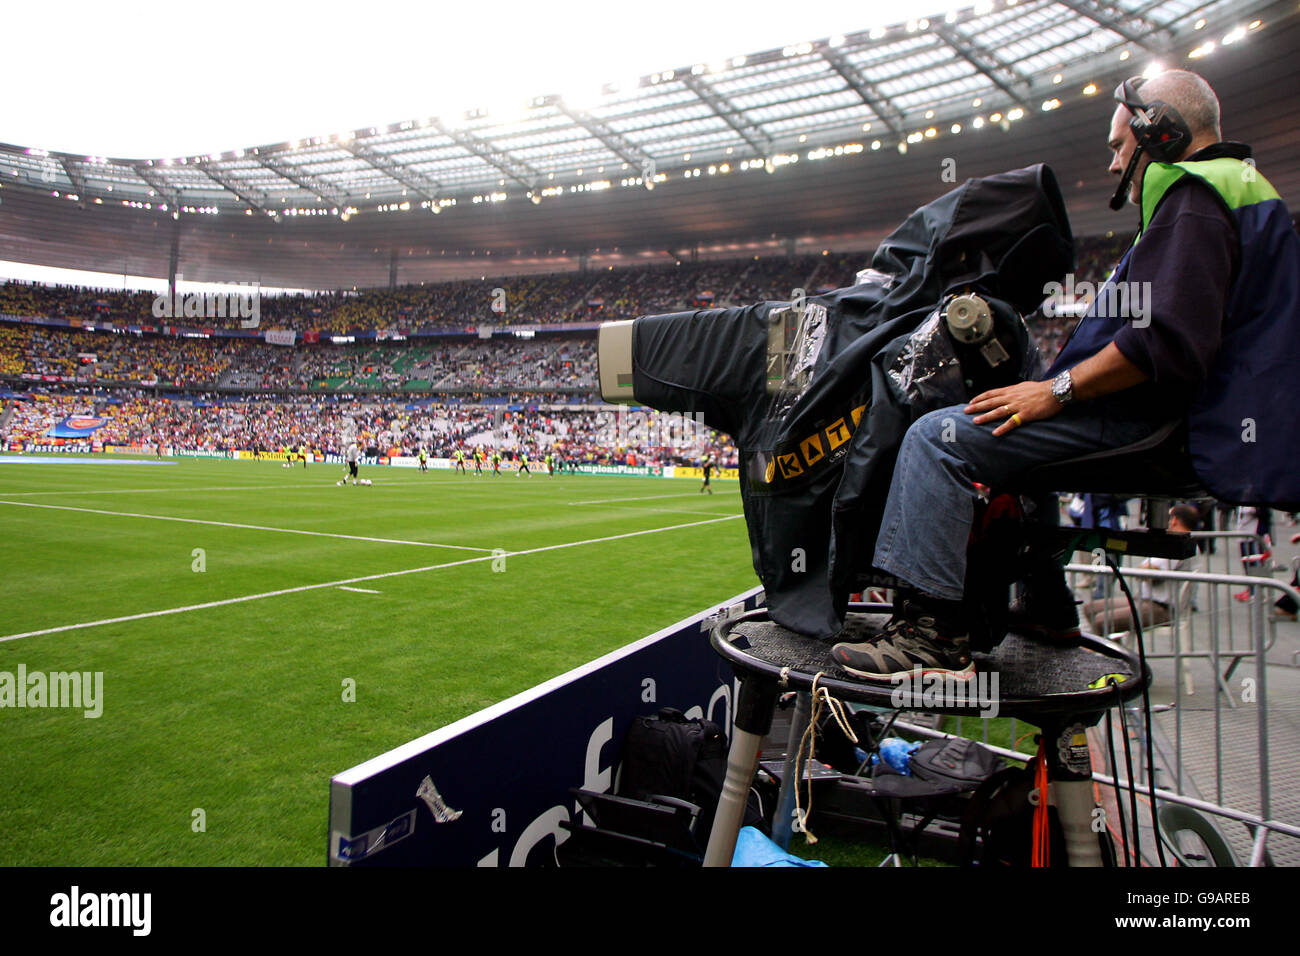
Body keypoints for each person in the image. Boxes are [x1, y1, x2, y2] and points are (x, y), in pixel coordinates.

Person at [831, 70, 1295, 682]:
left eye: (1118, 145)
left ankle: (933, 637)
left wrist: (1056, 390)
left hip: (1162, 423)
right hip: (1187, 417)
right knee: (1014, 419)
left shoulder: (1192, 201)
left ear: (1159, 133)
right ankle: (1050, 607)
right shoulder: (1234, 189)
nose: (1111, 163)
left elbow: (1166, 341)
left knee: (937, 440)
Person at [1082, 504, 1200, 635]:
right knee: (1090, 608)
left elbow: (1150, 571)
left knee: (1102, 621)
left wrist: (1142, 568)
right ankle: (1111, 649)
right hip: (1148, 601)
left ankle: (1105, 652)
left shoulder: (1177, 544)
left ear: (1175, 520)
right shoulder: (1184, 542)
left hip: (1160, 607)